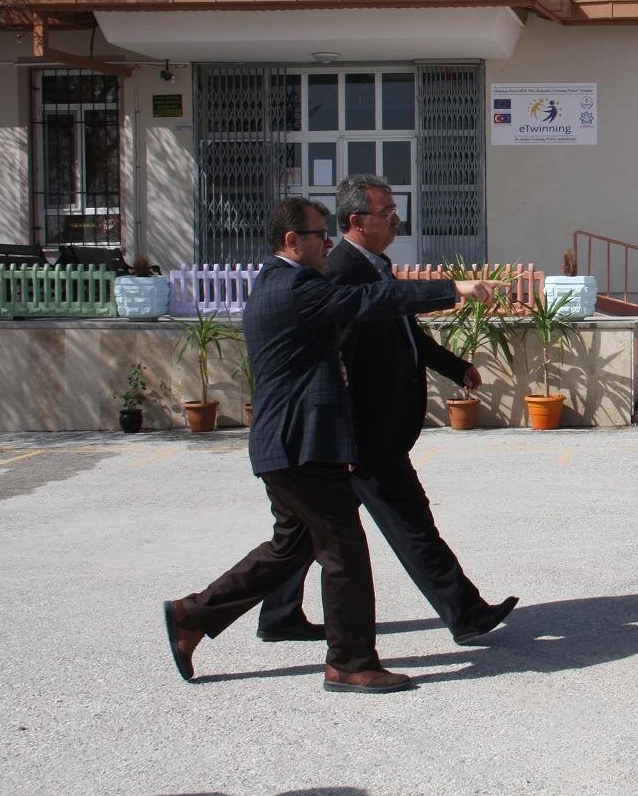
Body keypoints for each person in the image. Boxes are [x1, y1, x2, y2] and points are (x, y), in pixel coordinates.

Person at [161, 197, 499, 693]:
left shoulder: (278, 284)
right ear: (291, 240)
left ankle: (192, 614)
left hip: (289, 445)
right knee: (344, 552)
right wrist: (455, 289)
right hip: (301, 446)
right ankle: (349, 662)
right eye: (320, 235)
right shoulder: (296, 287)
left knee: (289, 548)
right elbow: (371, 301)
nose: (328, 242)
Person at [256, 174, 518, 647]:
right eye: (387, 212)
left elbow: (404, 330)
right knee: (409, 521)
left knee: (300, 533)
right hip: (365, 432)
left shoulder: (374, 265)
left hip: (368, 432)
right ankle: (465, 613)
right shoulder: (340, 270)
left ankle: (279, 613)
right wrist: (346, 435)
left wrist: (455, 366)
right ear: (358, 221)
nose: (397, 219)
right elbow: (340, 354)